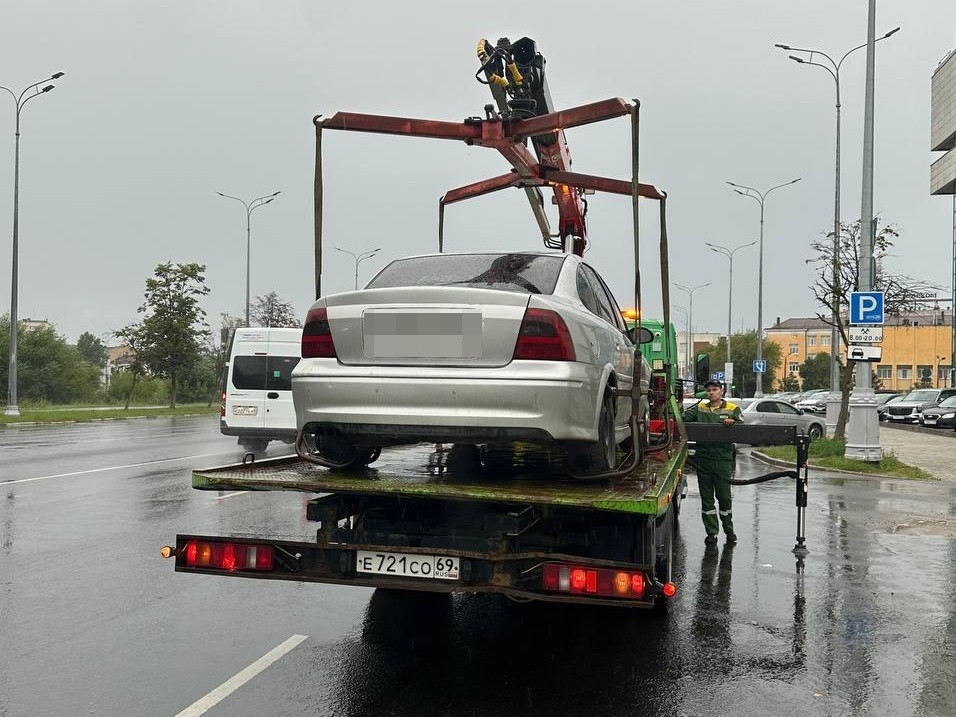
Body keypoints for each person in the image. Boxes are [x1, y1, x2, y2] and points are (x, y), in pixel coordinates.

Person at [682, 380, 742, 545]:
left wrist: (733, 422)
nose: (711, 393)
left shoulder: (732, 409)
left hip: (722, 461)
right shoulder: (700, 408)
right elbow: (683, 418)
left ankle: (729, 531)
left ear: (721, 391)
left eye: (714, 389)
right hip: (703, 460)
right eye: (708, 390)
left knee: (724, 498)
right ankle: (711, 533)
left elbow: (743, 428)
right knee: (707, 500)